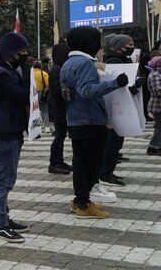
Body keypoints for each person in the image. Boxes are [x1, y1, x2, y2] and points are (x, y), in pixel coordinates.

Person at [61, 26, 128, 218]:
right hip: (90, 121)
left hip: (75, 120)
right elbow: (86, 90)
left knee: (81, 164)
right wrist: (115, 83)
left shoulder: (69, 63)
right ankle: (83, 205)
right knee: (92, 165)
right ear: (88, 42)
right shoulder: (84, 63)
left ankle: (80, 201)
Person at [0, 33, 32, 243]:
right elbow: (21, 95)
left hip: (11, 129)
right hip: (4, 132)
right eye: (21, 52)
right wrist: (29, 75)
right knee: (4, 180)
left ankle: (5, 217)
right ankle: (1, 224)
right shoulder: (2, 74)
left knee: (7, 177)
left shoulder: (9, 70)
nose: (25, 56)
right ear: (10, 54)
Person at [98, 34, 142, 186]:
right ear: (120, 46)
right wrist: (134, 87)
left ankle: (107, 170)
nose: (132, 47)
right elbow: (117, 87)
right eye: (129, 44)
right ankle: (105, 173)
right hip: (115, 107)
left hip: (119, 105)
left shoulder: (121, 60)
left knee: (116, 141)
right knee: (113, 141)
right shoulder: (114, 62)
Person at [47, 43, 72, 174]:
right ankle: (54, 163)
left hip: (60, 108)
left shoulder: (58, 67)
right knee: (59, 136)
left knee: (61, 136)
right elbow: (58, 90)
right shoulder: (57, 70)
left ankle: (60, 161)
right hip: (59, 108)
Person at [147, 56, 161, 155]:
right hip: (157, 105)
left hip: (157, 104)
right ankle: (153, 147)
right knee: (159, 127)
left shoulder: (156, 74)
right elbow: (158, 90)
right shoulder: (156, 75)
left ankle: (156, 147)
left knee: (158, 127)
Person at [33, 61, 50, 132]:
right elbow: (48, 84)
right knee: (45, 110)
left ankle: (36, 127)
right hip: (42, 93)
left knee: (35, 111)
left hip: (33, 94)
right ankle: (47, 127)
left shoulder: (31, 74)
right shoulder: (44, 73)